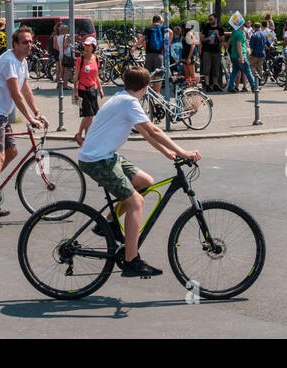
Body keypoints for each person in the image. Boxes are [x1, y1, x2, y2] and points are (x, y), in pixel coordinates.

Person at [76, 66, 202, 278]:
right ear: (145, 87)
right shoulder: (129, 103)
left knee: (145, 181)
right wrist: (183, 152)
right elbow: (153, 129)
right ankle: (131, 260)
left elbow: (145, 132)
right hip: (97, 160)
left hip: (104, 155)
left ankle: (107, 222)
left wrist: (168, 153)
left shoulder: (121, 97)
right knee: (136, 202)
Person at [0, 26, 49, 218]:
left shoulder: (22, 62)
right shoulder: (9, 61)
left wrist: (37, 112)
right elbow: (15, 94)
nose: (29, 45)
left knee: (12, 151)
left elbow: (26, 88)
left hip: (1, 114)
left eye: (31, 42)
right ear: (15, 44)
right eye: (25, 42)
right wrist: (30, 119)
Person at [72, 36, 105, 145]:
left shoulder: (96, 59)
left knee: (91, 115)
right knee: (88, 114)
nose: (86, 48)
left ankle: (88, 137)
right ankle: (79, 134)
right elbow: (75, 77)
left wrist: (100, 88)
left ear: (93, 47)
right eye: (85, 46)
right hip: (82, 89)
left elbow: (96, 75)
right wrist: (75, 91)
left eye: (89, 46)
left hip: (93, 89)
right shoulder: (80, 60)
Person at [228, 17, 257, 93]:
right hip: (240, 56)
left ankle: (230, 87)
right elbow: (239, 45)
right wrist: (241, 57)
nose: (244, 26)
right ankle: (254, 87)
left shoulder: (234, 32)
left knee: (234, 72)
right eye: (243, 25)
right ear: (240, 26)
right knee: (248, 72)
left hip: (234, 56)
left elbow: (230, 42)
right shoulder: (240, 34)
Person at [143, 15, 167, 94]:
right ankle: (157, 92)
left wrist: (145, 49)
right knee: (159, 73)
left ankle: (149, 91)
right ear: (159, 20)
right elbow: (171, 32)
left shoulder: (147, 28)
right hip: (159, 54)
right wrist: (167, 45)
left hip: (149, 53)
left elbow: (143, 40)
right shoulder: (162, 28)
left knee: (148, 73)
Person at [200, 14, 224, 92]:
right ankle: (207, 85)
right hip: (207, 51)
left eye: (211, 19)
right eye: (209, 19)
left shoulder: (220, 29)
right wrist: (208, 38)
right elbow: (201, 39)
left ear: (216, 19)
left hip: (216, 51)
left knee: (216, 68)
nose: (210, 21)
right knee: (207, 68)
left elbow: (222, 40)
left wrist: (217, 34)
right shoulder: (207, 27)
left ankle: (215, 84)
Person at [182, 21, 200, 87]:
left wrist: (189, 57)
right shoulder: (184, 34)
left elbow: (192, 46)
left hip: (189, 55)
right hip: (184, 55)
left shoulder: (190, 34)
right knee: (186, 73)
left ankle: (194, 86)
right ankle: (188, 85)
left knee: (192, 73)